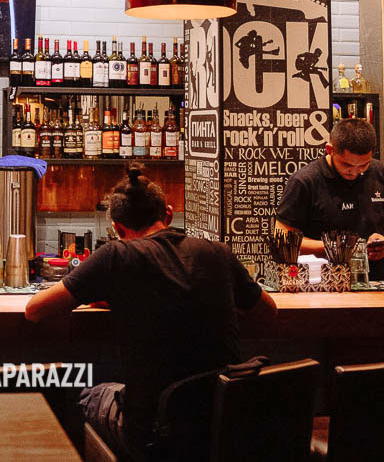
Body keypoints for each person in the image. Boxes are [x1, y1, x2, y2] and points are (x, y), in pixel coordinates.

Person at [25, 168, 277, 460]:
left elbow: (35, 311)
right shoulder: (218, 253)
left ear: (118, 229)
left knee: (83, 398)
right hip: (223, 427)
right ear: (168, 214)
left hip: (156, 434)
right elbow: (268, 312)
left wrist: (114, 295)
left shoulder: (116, 257)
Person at [275, 118, 384, 280]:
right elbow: (282, 238)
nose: (355, 171)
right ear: (330, 150)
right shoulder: (305, 181)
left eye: (363, 165)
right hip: (324, 280)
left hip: (377, 278)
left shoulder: (380, 172)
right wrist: (336, 248)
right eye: (347, 165)